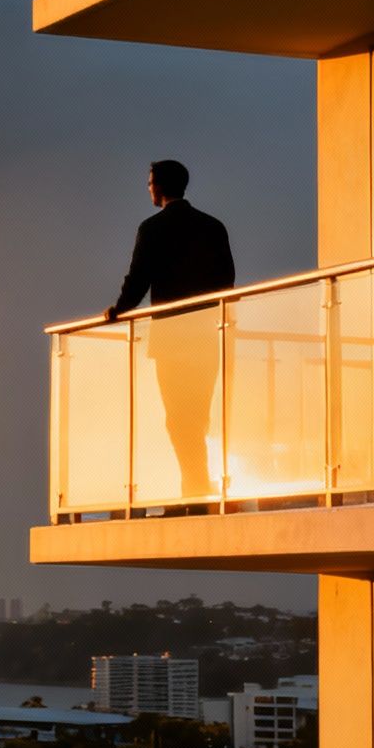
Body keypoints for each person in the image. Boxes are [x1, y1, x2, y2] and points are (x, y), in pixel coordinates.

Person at [104, 160, 234, 502]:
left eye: (149, 183)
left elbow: (138, 281)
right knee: (197, 416)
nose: (148, 188)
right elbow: (227, 280)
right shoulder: (213, 226)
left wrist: (118, 310)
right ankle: (195, 487)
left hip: (173, 339)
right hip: (207, 333)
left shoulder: (152, 228)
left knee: (178, 419)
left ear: (159, 187)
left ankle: (195, 488)